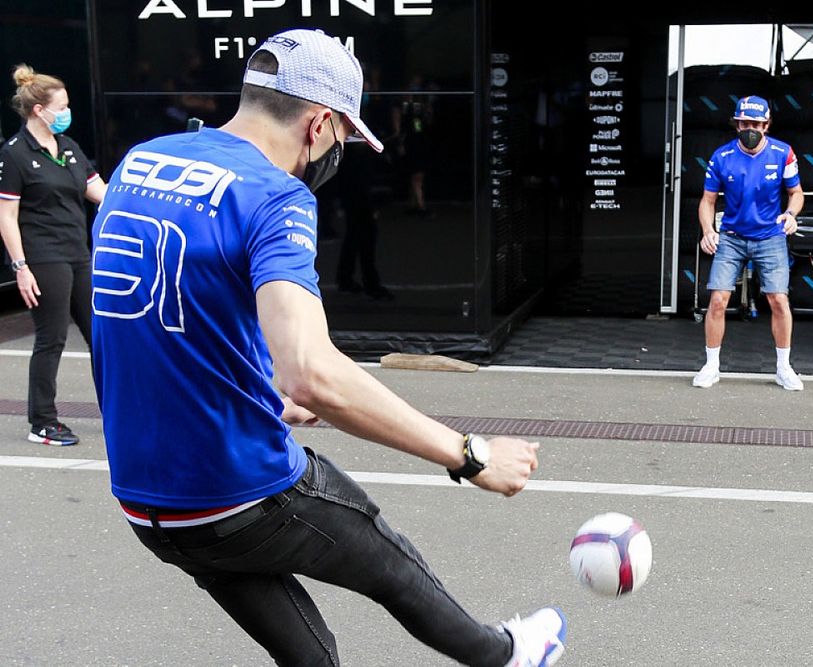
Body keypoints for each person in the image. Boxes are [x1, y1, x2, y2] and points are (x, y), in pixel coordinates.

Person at [90, 29, 567, 667]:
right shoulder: (275, 196)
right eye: (343, 137)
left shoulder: (140, 162)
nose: (338, 152)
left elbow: (160, 319)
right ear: (318, 125)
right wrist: (470, 455)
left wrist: (265, 397)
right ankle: (503, 655)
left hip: (147, 502)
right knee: (390, 563)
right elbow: (312, 373)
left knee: (312, 657)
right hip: (238, 492)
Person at [0, 64, 107, 446]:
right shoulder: (14, 155)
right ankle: (42, 421)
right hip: (44, 256)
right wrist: (21, 268)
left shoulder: (68, 148)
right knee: (52, 337)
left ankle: (114, 409)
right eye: (60, 107)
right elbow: (7, 217)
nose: (66, 112)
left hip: (79, 253)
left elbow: (101, 193)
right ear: (38, 111)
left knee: (101, 336)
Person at [693, 95, 805, 391]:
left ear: (766, 125)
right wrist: (707, 230)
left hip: (770, 236)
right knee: (718, 300)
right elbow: (707, 200)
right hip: (731, 237)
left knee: (779, 300)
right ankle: (711, 366)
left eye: (755, 124)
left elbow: (796, 193)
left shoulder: (783, 153)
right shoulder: (721, 156)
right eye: (744, 123)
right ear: (736, 123)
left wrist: (791, 214)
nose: (749, 129)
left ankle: (784, 368)